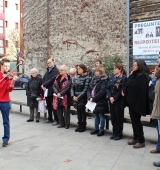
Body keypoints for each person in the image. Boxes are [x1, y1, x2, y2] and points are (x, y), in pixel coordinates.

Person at [122, 59, 150, 148]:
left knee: (137, 121)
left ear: (140, 66)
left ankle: (141, 140)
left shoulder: (143, 77)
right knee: (133, 120)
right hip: (131, 101)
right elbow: (127, 84)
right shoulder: (133, 75)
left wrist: (127, 90)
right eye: (133, 65)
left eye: (135, 65)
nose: (133, 66)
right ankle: (136, 137)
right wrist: (124, 90)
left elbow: (140, 90)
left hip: (138, 102)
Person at [0, 58, 18, 147]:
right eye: (5, 66)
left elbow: (9, 89)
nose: (7, 68)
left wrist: (13, 82)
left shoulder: (9, 77)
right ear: (1, 66)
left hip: (5, 102)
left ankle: (6, 139)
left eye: (8, 66)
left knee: (6, 121)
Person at [107, 63, 126, 140]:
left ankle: (119, 133)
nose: (114, 70)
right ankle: (114, 132)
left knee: (119, 118)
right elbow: (108, 88)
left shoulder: (123, 78)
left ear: (120, 69)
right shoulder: (112, 77)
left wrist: (114, 98)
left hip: (118, 101)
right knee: (113, 118)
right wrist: (110, 97)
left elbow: (122, 90)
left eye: (115, 68)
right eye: (113, 68)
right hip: (111, 101)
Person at [88, 67, 108, 136]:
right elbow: (90, 89)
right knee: (96, 115)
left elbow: (102, 91)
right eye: (96, 71)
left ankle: (101, 130)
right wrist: (90, 97)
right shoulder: (94, 79)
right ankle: (96, 128)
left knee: (101, 115)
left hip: (101, 101)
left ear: (101, 72)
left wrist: (94, 98)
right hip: (93, 100)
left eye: (98, 71)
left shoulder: (104, 80)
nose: (96, 72)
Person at [71, 64, 90, 132]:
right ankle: (79, 125)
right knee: (78, 112)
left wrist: (78, 97)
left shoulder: (87, 78)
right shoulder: (76, 77)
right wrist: (73, 96)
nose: (78, 70)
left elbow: (85, 89)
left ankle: (83, 126)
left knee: (82, 112)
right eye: (77, 68)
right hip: (76, 97)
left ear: (83, 69)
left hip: (82, 98)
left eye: (79, 68)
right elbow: (72, 87)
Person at [52, 65, 71, 129]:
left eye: (62, 70)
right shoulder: (57, 77)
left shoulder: (68, 78)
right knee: (59, 111)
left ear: (65, 71)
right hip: (57, 96)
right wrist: (57, 93)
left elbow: (68, 88)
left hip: (65, 97)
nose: (60, 71)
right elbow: (54, 86)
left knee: (66, 111)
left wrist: (61, 93)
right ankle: (61, 123)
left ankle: (67, 123)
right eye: (60, 70)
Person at [41, 58, 59, 125]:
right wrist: (43, 86)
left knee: (53, 105)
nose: (49, 64)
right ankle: (50, 118)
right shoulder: (47, 71)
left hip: (52, 90)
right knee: (48, 105)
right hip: (47, 91)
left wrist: (44, 85)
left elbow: (53, 79)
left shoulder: (56, 70)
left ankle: (56, 119)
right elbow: (44, 79)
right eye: (48, 63)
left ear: (53, 62)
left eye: (50, 62)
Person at [150, 69, 160, 153]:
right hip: (156, 108)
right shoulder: (156, 80)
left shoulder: (155, 81)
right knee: (158, 130)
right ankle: (158, 147)